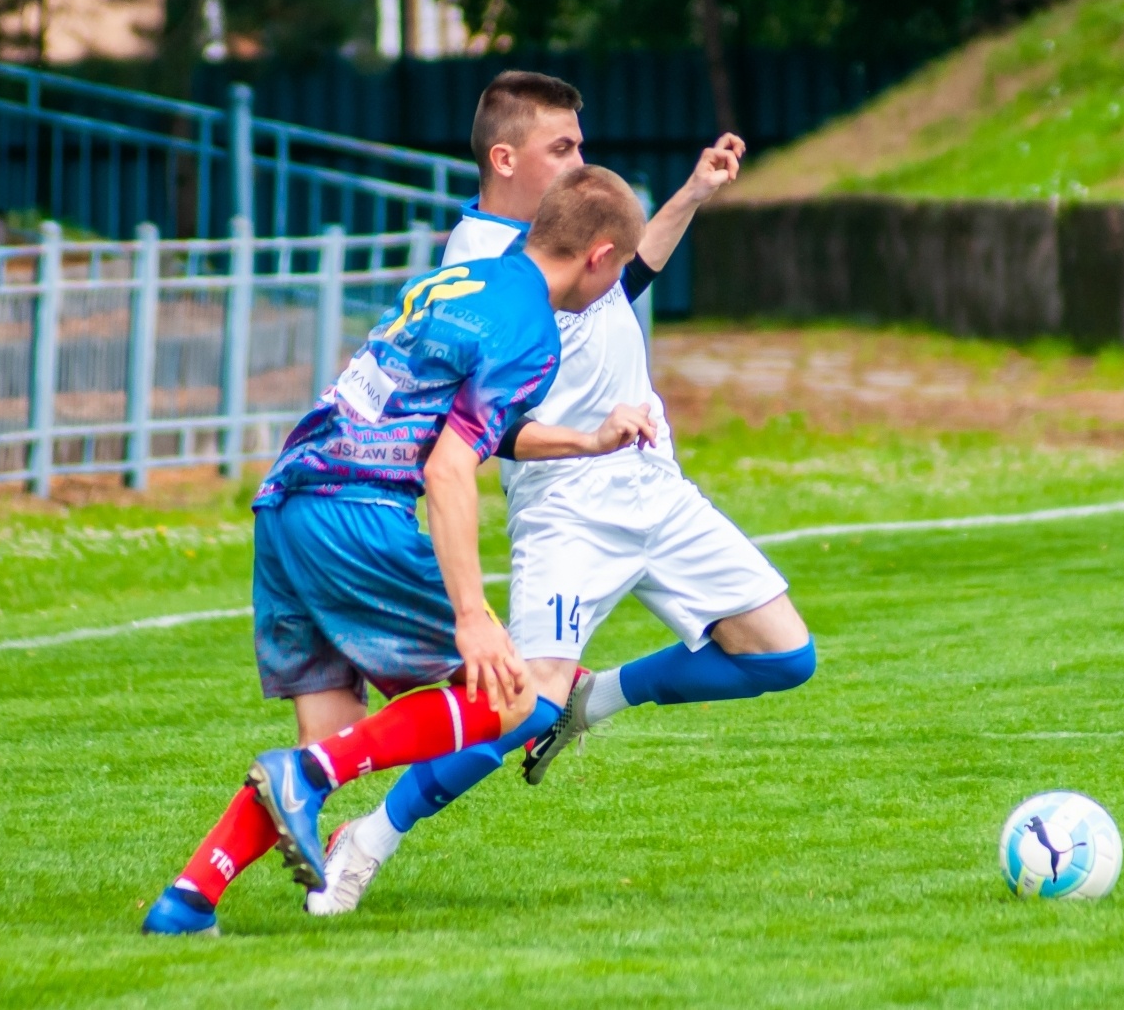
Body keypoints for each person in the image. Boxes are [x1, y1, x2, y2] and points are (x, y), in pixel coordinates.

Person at [307, 71, 815, 917]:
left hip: (655, 484)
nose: (581, 158)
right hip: (568, 504)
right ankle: (370, 835)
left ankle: (594, 697)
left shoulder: (566, 239)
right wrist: (587, 437)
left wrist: (691, 193)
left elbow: (626, 282)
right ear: (505, 158)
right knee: (513, 709)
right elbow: (476, 434)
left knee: (782, 653)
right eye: (563, 147)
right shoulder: (478, 263)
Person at [141, 164, 651, 936]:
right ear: (601, 257)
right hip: (357, 510)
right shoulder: (535, 331)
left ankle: (185, 902)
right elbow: (450, 466)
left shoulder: (466, 280)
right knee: (513, 695)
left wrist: (585, 438)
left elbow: (468, 420)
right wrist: (474, 615)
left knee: (334, 733)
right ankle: (302, 777)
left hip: (288, 501)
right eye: (617, 274)